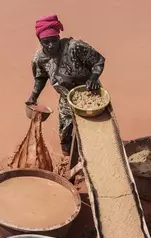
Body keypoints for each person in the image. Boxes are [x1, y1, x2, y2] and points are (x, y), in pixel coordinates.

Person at [26, 14, 105, 156]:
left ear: (59, 37)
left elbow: (98, 61)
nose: (51, 45)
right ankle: (67, 159)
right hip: (66, 98)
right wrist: (33, 97)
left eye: (54, 40)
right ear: (39, 40)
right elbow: (40, 78)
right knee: (65, 133)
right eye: (46, 42)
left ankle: (97, 155)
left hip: (90, 94)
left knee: (96, 129)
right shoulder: (39, 59)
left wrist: (93, 78)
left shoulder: (74, 47)